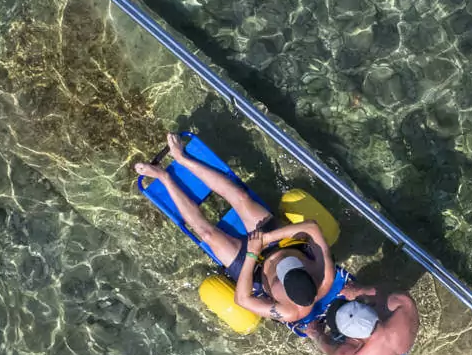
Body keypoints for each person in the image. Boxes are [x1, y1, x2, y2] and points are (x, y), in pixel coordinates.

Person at [135, 132, 336, 326]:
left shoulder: (288, 311)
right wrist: (265, 239)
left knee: (207, 234)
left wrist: (252, 253)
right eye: (292, 265)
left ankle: (163, 177)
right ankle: (181, 158)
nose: (284, 265)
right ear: (308, 273)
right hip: (277, 242)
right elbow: (312, 227)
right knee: (241, 198)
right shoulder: (325, 275)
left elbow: (242, 299)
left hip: (254, 267)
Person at [303, 283, 420, 355]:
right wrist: (358, 290)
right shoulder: (404, 304)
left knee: (332, 338)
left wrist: (316, 334)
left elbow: (326, 346)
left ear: (351, 338)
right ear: (368, 308)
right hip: (403, 344)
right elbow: (384, 290)